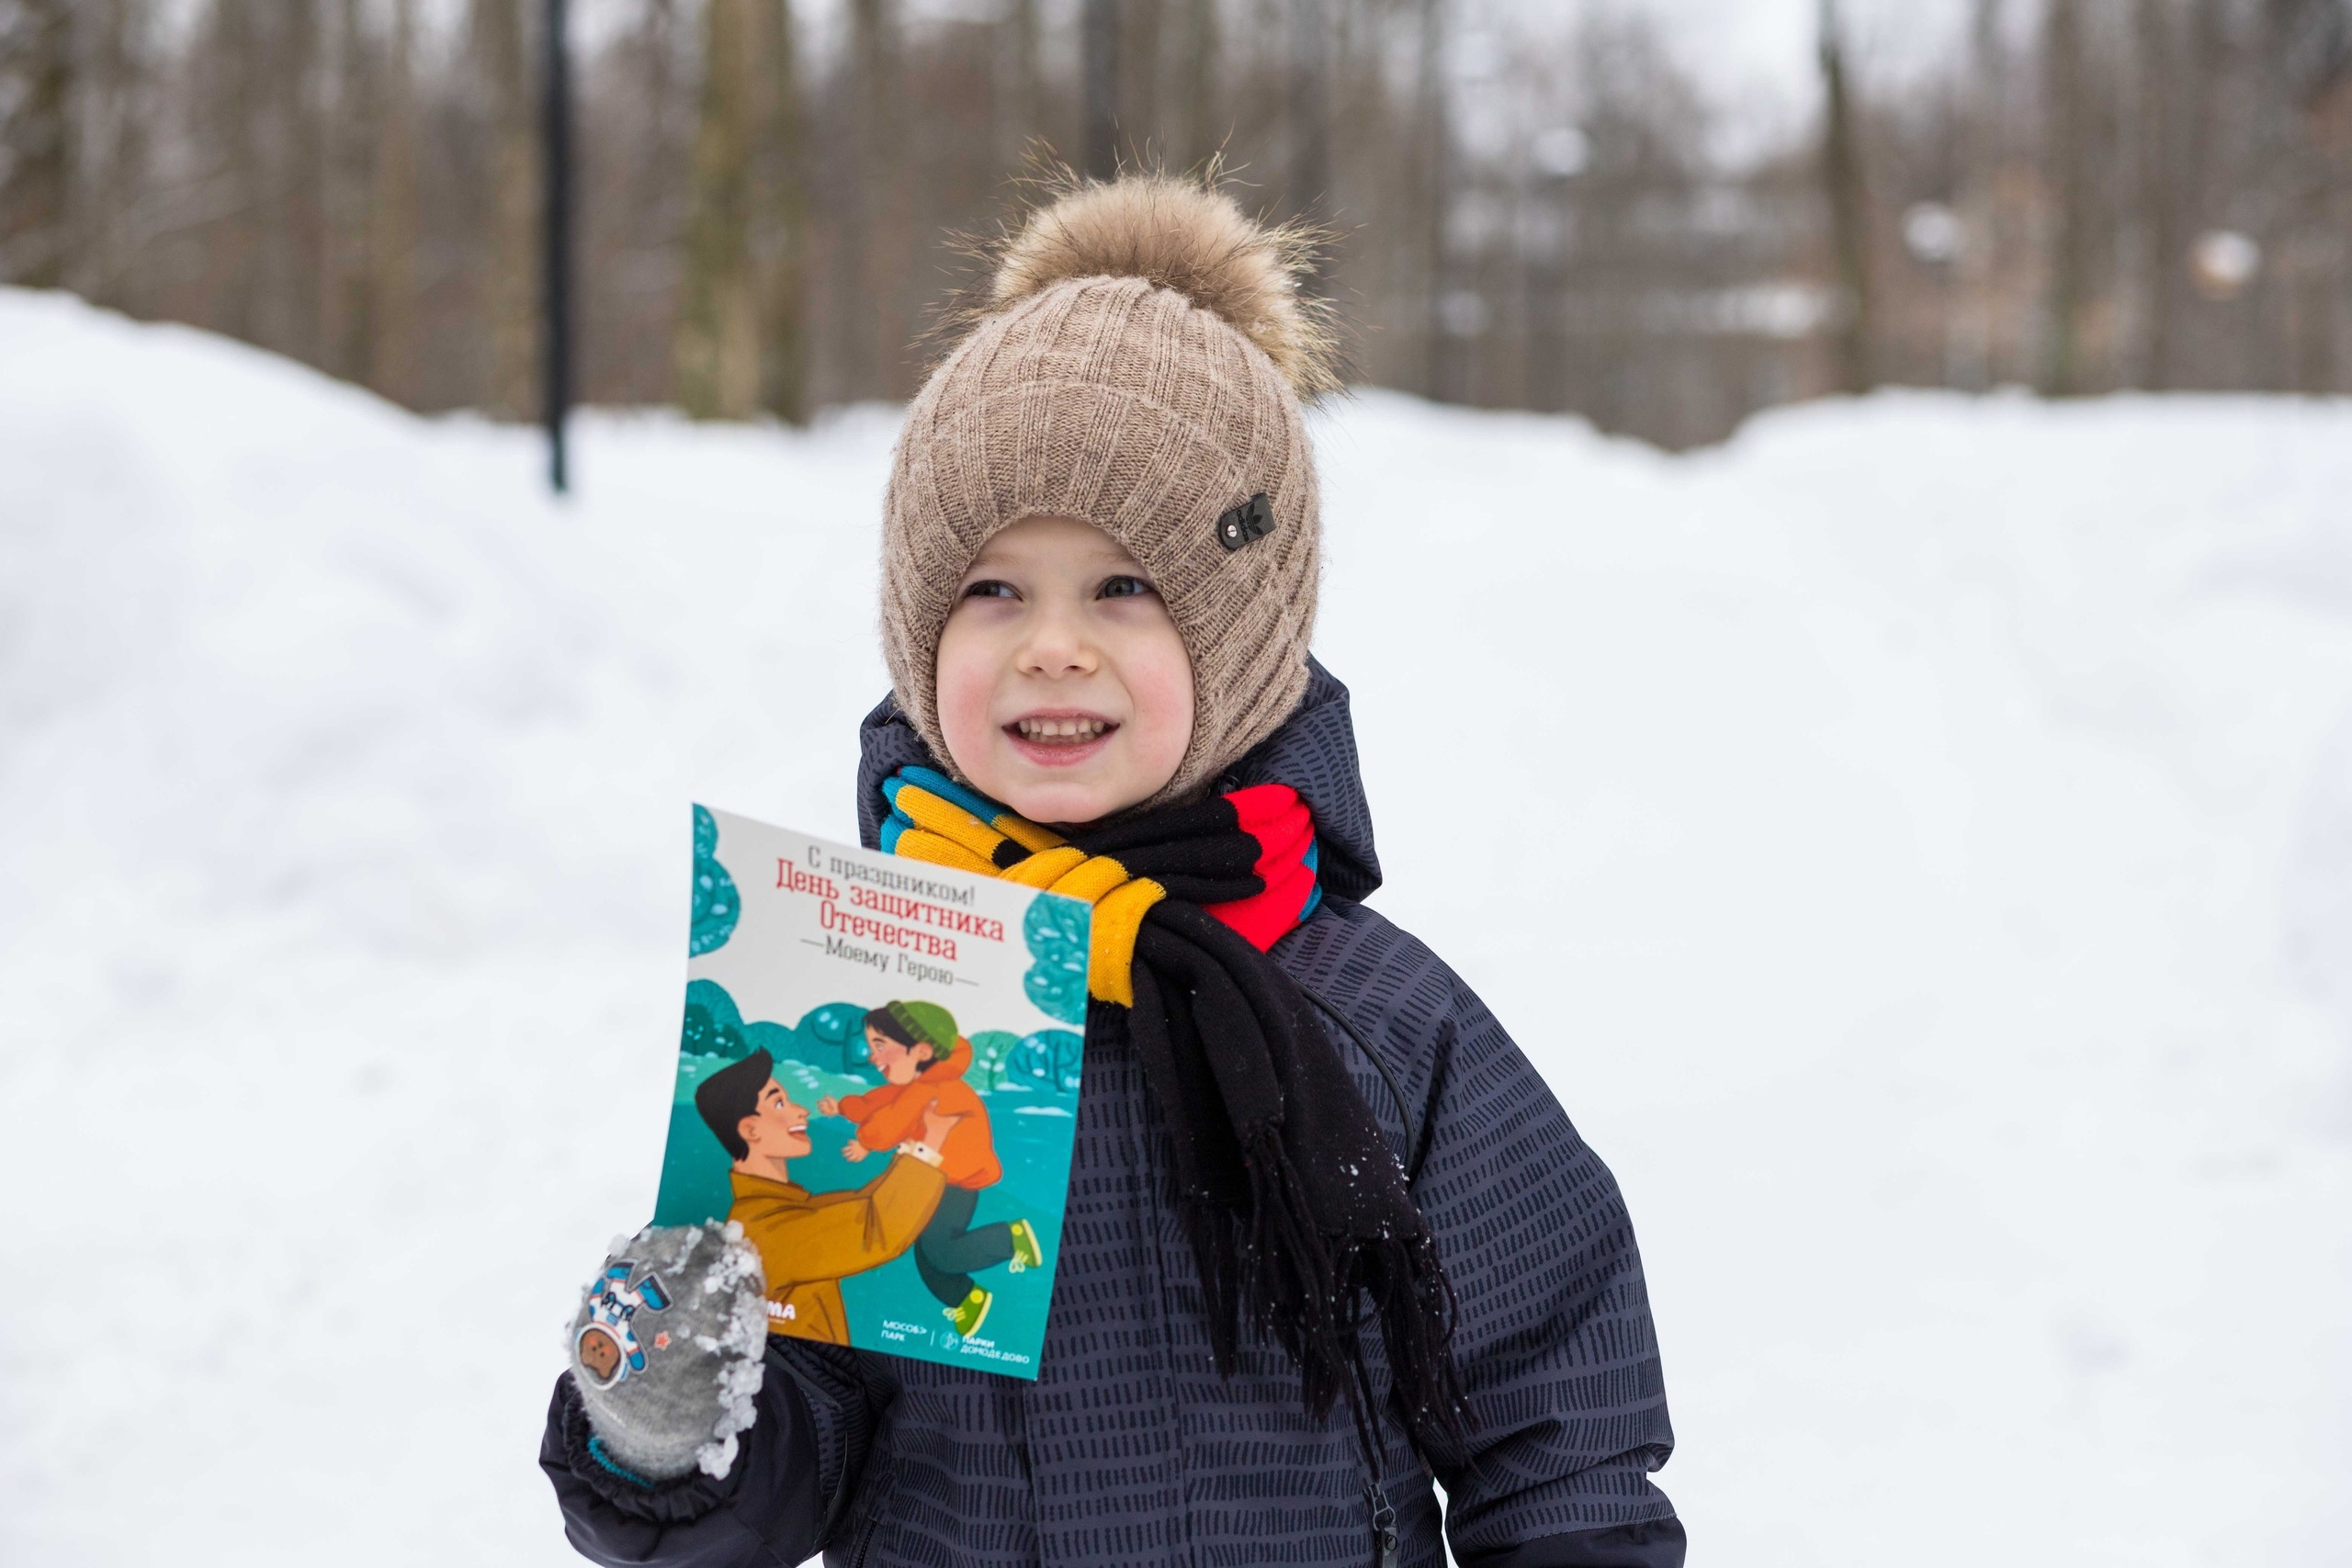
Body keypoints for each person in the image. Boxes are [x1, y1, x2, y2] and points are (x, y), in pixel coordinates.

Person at [542, 172, 1685, 1568]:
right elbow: (795, 1451)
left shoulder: (1379, 1021)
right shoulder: (859, 1009)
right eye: (993, 588)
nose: (1053, 645)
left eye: (1125, 588)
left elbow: (1559, 1429)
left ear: (1246, 633)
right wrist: (675, 1420)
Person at [694, 1048, 949, 1346]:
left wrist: (914, 1144)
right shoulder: (765, 1229)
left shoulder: (778, 1208)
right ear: (750, 1129)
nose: (800, 1110)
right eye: (779, 1102)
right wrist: (929, 1145)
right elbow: (873, 1230)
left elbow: (862, 1205)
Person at [820, 1000, 1045, 1338]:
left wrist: (866, 1140)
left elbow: (886, 1127)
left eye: (880, 1046)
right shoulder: (917, 1084)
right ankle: (967, 1297)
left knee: (939, 1250)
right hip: (939, 1177)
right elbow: (878, 1102)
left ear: (921, 1050)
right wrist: (845, 1107)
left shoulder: (929, 1088)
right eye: (871, 1047)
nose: (872, 1057)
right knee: (928, 1250)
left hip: (956, 1180)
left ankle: (1009, 1239)